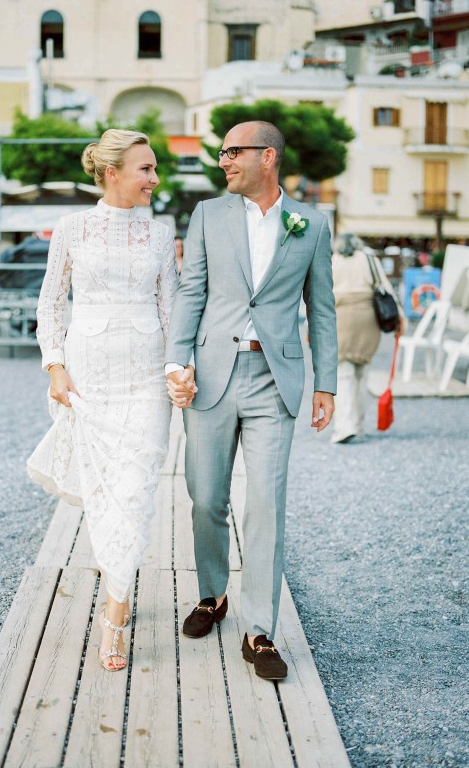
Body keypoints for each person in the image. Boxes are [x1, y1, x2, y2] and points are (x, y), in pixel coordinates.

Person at [165, 120, 337, 681]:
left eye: (232, 152)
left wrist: (326, 384)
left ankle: (259, 629)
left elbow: (323, 307)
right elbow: (192, 291)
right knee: (207, 497)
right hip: (213, 375)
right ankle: (212, 595)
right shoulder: (209, 215)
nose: (223, 161)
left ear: (268, 157)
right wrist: (177, 360)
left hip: (275, 378)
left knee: (266, 502)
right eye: (220, 153)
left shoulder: (310, 223)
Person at [27, 129, 177, 671]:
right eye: (146, 169)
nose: (154, 179)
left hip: (145, 380)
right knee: (104, 491)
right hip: (88, 379)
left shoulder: (162, 235)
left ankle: (113, 617)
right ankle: (121, 579)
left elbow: (170, 309)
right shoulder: (70, 229)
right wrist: (55, 366)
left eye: (154, 168)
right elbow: (51, 303)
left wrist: (177, 369)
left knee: (135, 491)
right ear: (112, 172)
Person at [331, 234, 404, 444]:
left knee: (343, 373)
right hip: (368, 318)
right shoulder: (369, 259)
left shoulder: (332, 260)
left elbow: (319, 295)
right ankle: (359, 425)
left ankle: (345, 426)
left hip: (340, 318)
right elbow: (387, 290)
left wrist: (311, 326)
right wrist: (400, 319)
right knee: (362, 373)